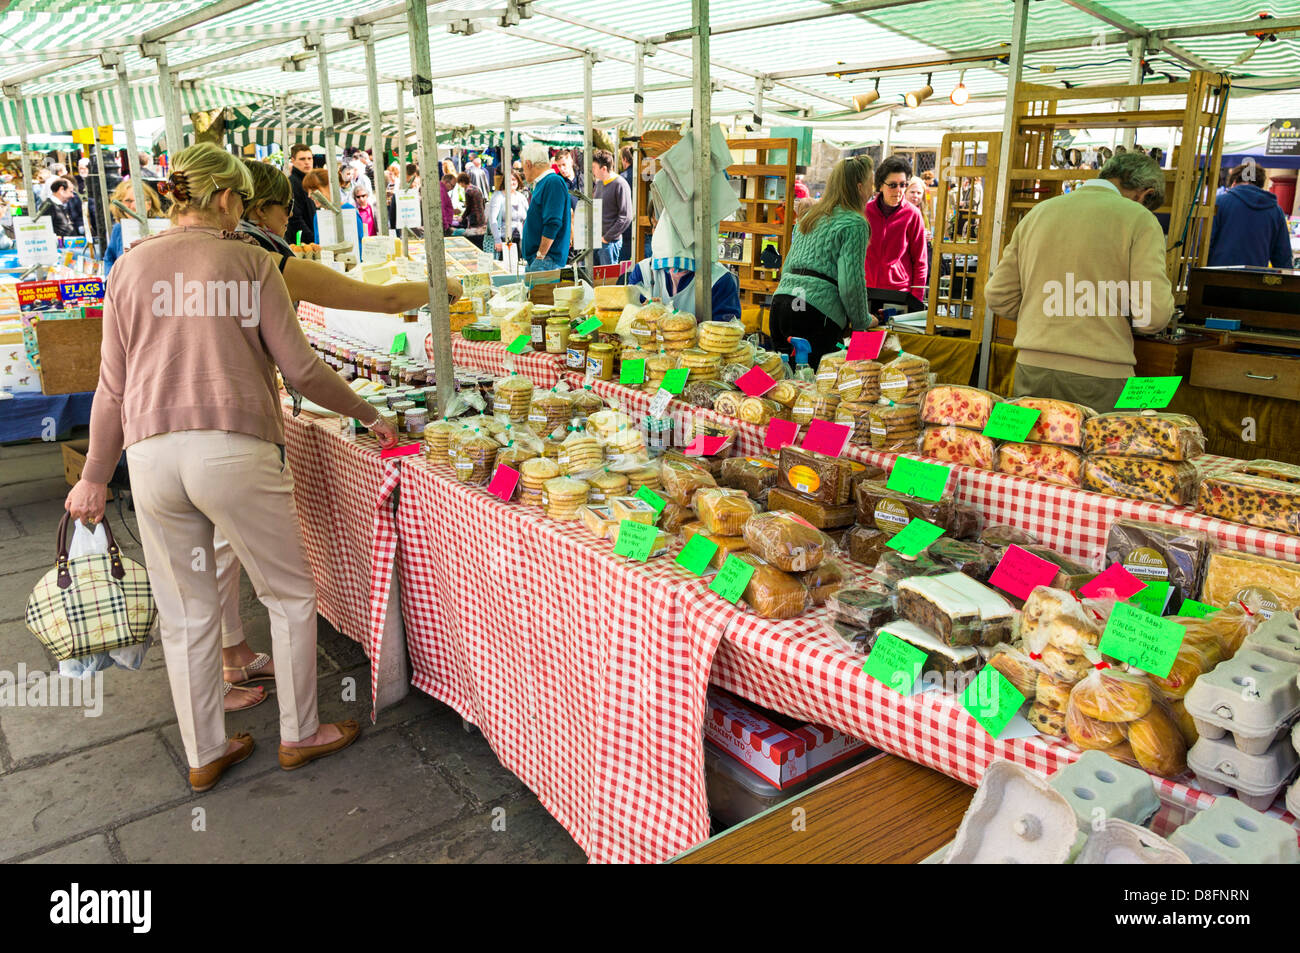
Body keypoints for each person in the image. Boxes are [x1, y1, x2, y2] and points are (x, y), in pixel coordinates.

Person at [65, 143, 397, 793]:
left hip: (152, 455)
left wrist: (94, 475)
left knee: (186, 613)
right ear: (223, 198)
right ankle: (300, 732)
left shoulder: (129, 268)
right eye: (242, 199)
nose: (243, 211)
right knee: (289, 593)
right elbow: (300, 369)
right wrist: (366, 411)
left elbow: (112, 386)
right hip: (233, 446)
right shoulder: (250, 264)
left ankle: (205, 750)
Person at [985, 151, 1174, 412]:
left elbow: (997, 295)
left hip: (1031, 368)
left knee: (1026, 452)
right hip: (1101, 377)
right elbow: (1153, 315)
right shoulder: (1140, 219)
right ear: (1144, 194)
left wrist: (1041, 316)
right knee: (1097, 452)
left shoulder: (1039, 213)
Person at [769, 155, 876, 367]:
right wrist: (862, 320)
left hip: (781, 305)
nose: (872, 191)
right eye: (871, 185)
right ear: (860, 187)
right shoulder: (854, 223)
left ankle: (751, 397)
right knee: (818, 389)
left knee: (783, 382)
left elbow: (788, 266)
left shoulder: (810, 216)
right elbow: (851, 283)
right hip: (813, 314)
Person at [863, 155, 928, 312]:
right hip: (866, 292)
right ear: (880, 186)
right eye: (892, 185)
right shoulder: (864, 212)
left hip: (899, 295)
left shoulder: (913, 215)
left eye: (903, 185)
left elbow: (920, 262)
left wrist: (916, 301)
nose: (899, 191)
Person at [1207, 163, 1294, 269]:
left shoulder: (1220, 203)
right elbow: (1282, 256)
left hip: (1215, 276)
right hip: (1255, 279)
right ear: (1261, 185)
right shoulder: (1276, 211)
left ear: (1234, 183)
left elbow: (1205, 242)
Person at [520, 141, 571, 273]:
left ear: (528, 164)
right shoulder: (545, 183)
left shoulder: (552, 182)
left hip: (546, 261)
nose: (523, 172)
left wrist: (540, 256)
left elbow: (553, 223)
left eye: (523, 168)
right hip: (543, 261)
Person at [102, 179, 165, 278]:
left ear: (149, 203)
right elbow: (109, 259)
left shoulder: (163, 228)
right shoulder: (119, 228)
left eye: (139, 200)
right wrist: (111, 279)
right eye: (128, 201)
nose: (133, 206)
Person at [591, 149, 632, 266]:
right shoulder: (599, 184)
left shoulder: (620, 184)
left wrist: (607, 238)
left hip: (609, 243)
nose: (592, 170)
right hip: (597, 241)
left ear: (603, 169)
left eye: (594, 167)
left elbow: (626, 217)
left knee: (608, 279)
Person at [488, 170, 528, 258]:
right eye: (509, 180)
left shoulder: (521, 197)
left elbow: (528, 219)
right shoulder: (498, 196)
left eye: (514, 180)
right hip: (503, 241)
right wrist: (497, 240)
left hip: (520, 241)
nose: (512, 182)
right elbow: (492, 219)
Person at [285, 143, 316, 245]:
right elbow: (295, 218)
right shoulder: (292, 183)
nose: (307, 162)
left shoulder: (310, 182)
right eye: (302, 159)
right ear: (293, 161)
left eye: (309, 158)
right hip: (301, 243)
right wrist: (312, 238)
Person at [455, 171, 487, 249]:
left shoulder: (468, 191)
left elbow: (468, 208)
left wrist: (462, 217)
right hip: (481, 215)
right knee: (480, 235)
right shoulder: (476, 188)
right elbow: (483, 202)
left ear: (462, 182)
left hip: (474, 217)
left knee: (473, 237)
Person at [618, 145, 635, 262]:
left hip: (626, 228)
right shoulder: (645, 175)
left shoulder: (621, 178)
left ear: (624, 159)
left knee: (622, 267)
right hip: (645, 229)